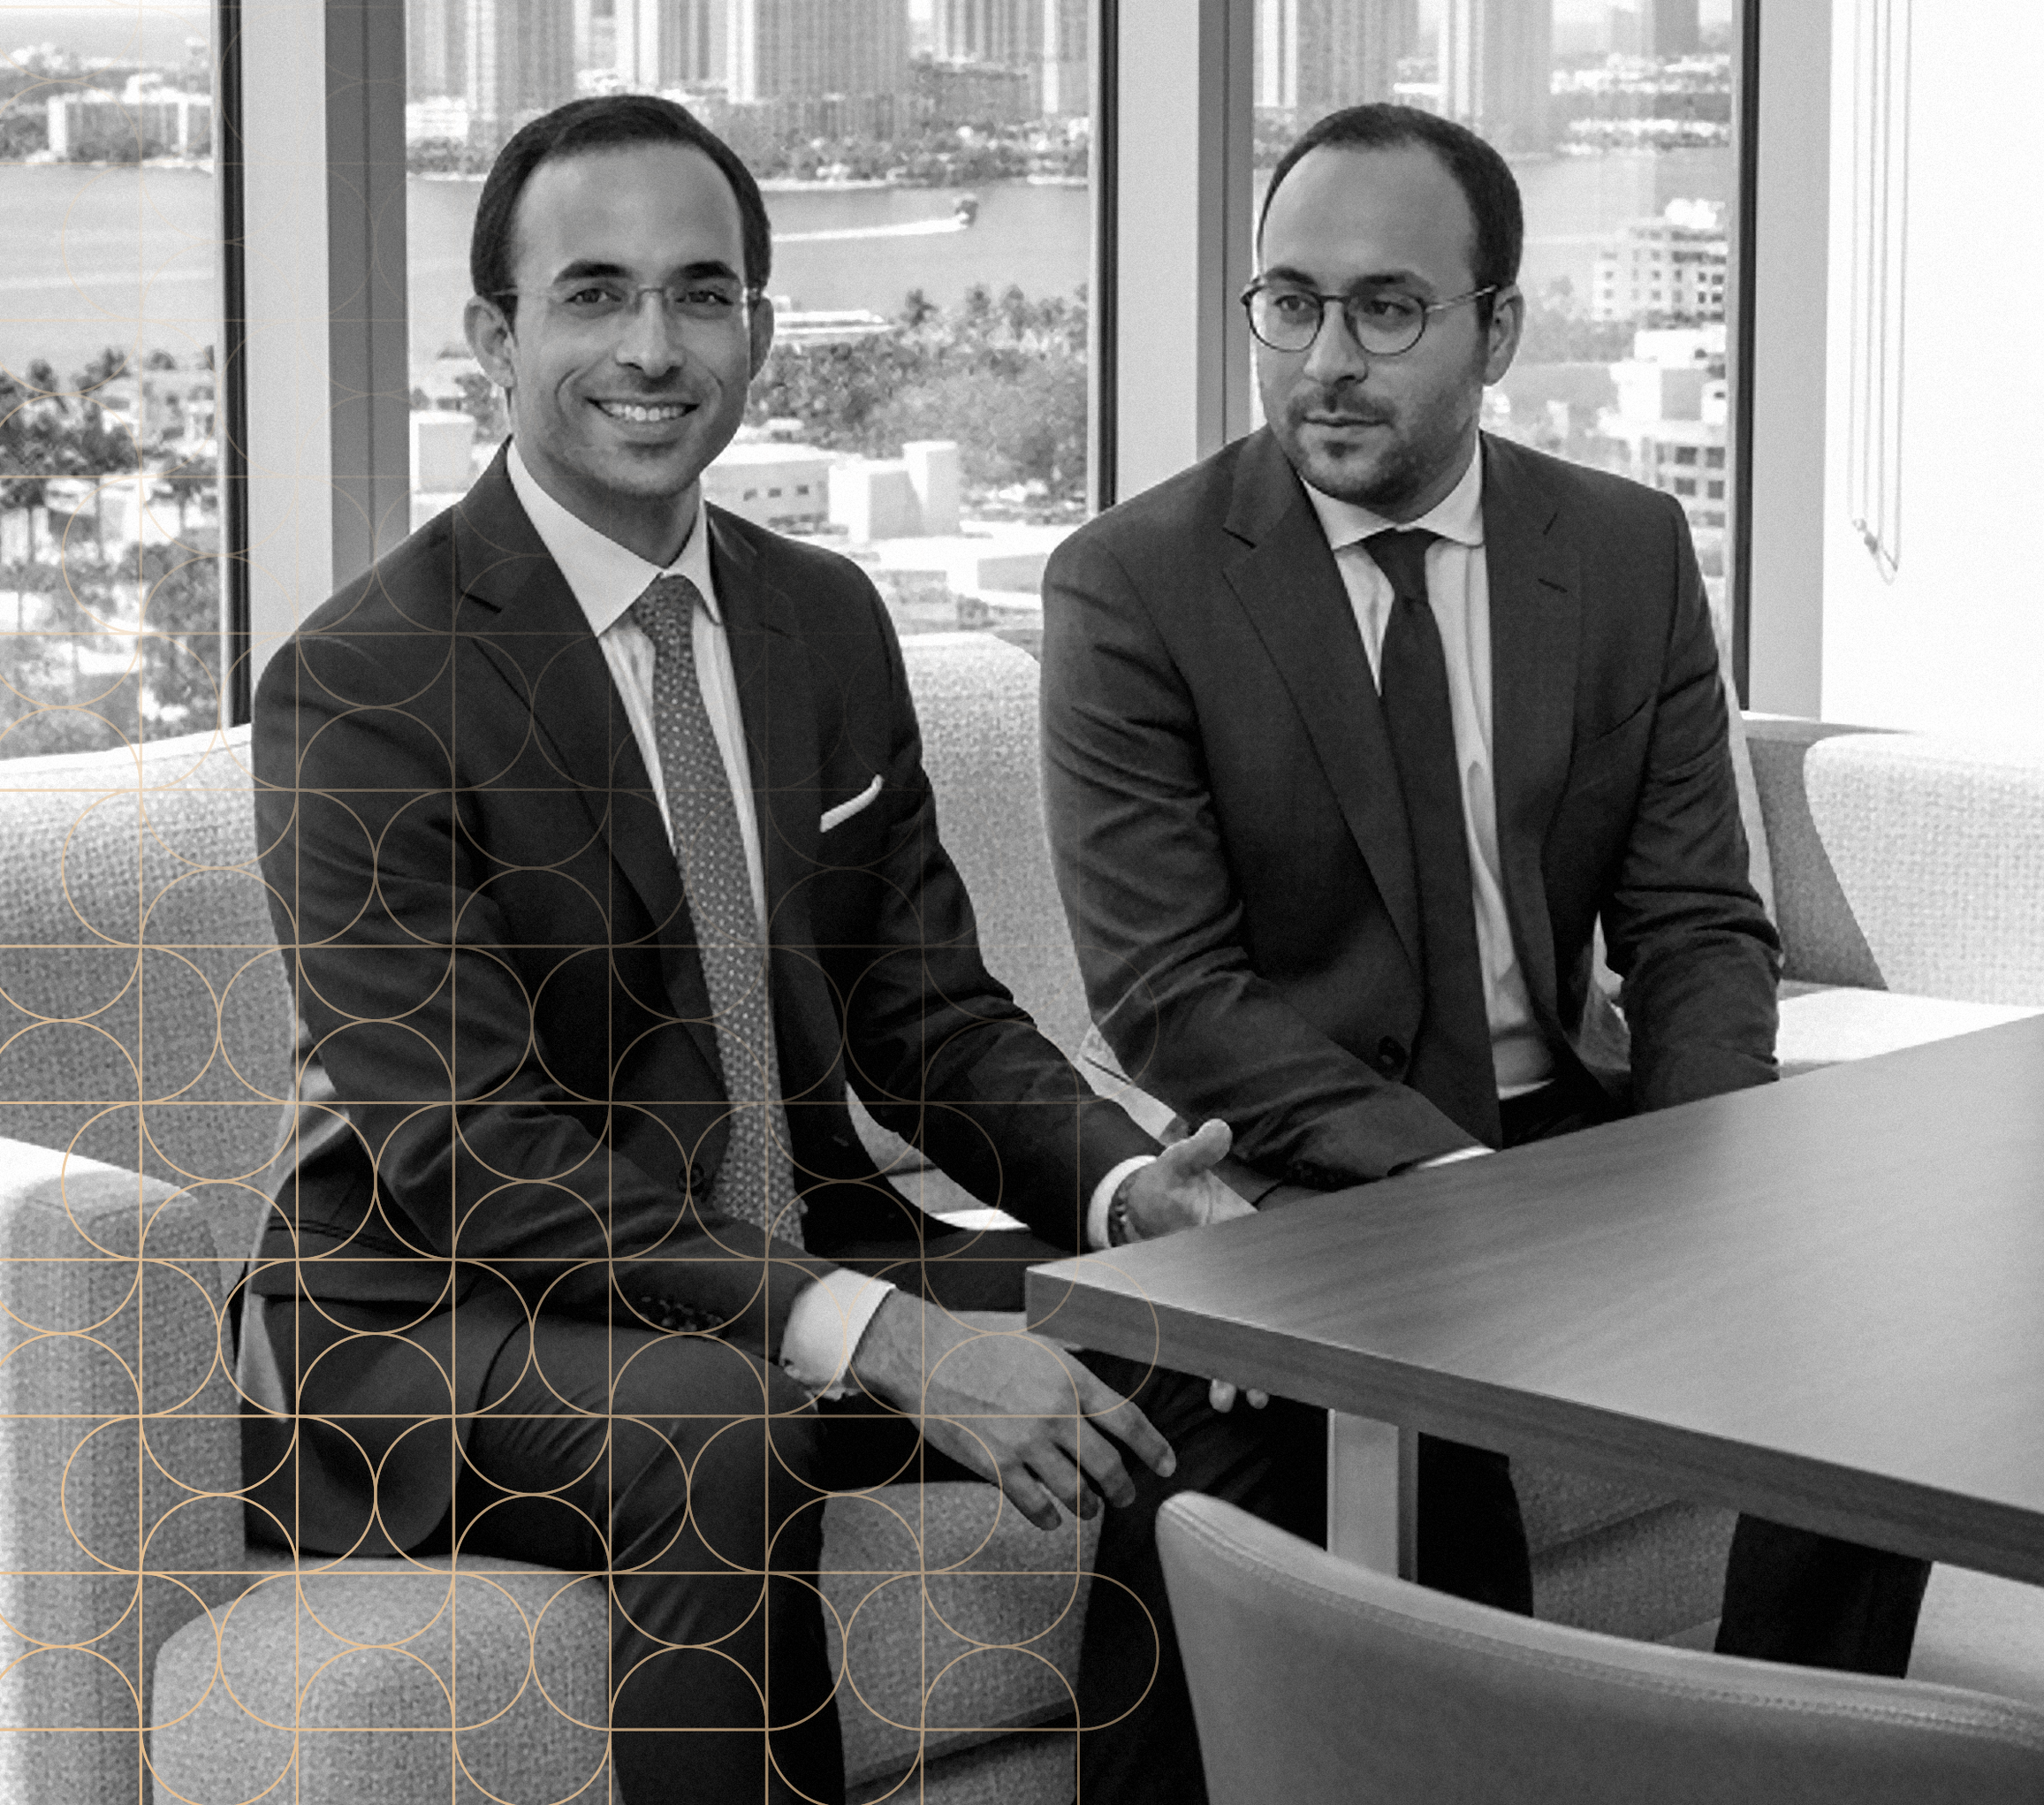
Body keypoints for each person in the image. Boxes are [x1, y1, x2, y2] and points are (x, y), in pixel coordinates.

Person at [238, 94, 1246, 1805]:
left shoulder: (822, 618)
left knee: (1208, 1339)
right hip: (446, 1306)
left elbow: (925, 1014)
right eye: (594, 295)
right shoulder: (367, 681)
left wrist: (1130, 1193)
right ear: (495, 336)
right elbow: (477, 1159)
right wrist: (885, 1335)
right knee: (717, 1426)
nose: (654, 344)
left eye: (702, 294)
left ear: (760, 331)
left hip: (770, 1255)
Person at [1041, 101, 1931, 1802]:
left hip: (1582, 1141)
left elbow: (1690, 920)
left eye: (1388, 308)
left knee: (1884, 1330)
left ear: (1498, 329)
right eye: (1287, 304)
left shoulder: (1616, 549)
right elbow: (1169, 993)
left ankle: (1780, 1771)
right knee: (1257, 1454)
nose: (1327, 359)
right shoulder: (1133, 587)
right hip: (1314, 1166)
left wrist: (1706, 1165)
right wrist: (1455, 1186)